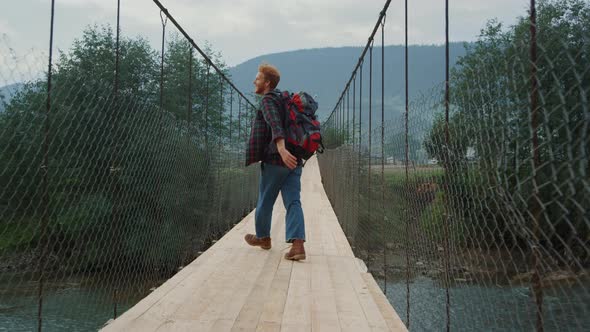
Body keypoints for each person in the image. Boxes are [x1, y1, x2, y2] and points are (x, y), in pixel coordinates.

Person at [244, 63, 306, 261]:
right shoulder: (285, 100)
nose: (254, 81)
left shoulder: (268, 101)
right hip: (295, 159)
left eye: (258, 79)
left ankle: (263, 237)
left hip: (277, 159)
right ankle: (298, 246)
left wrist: (281, 148)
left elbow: (274, 123)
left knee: (265, 200)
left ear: (267, 83)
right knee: (293, 201)